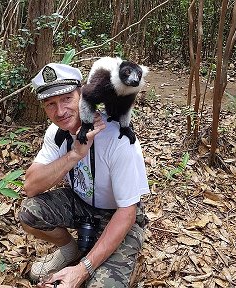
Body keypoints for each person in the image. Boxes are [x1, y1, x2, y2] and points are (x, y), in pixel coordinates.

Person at [18, 62, 150, 288]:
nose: (60, 111)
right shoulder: (57, 132)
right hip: (82, 205)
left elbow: (127, 212)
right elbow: (30, 186)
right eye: (50, 104)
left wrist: (83, 269)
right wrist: (74, 155)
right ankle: (71, 251)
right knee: (29, 212)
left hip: (118, 215)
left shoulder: (117, 138)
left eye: (67, 99)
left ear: (82, 94)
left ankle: (108, 257)